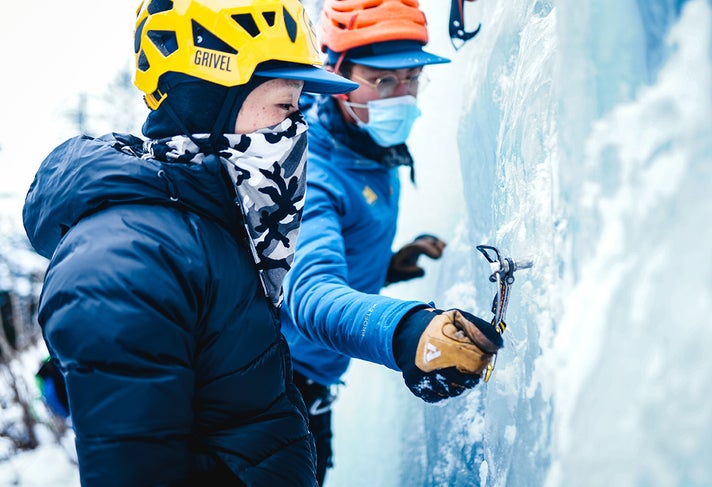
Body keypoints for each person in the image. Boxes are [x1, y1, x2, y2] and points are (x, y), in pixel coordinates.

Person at [22, 0, 356, 485]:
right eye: (286, 104)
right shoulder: (128, 262)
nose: (298, 127)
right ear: (213, 96)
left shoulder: (207, 224)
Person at [280, 0, 505, 483]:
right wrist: (404, 332)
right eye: (382, 80)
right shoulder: (313, 172)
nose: (402, 95)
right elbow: (308, 294)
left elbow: (318, 252)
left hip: (308, 389)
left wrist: (384, 264)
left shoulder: (365, 144)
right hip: (280, 392)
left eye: (411, 78)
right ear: (335, 75)